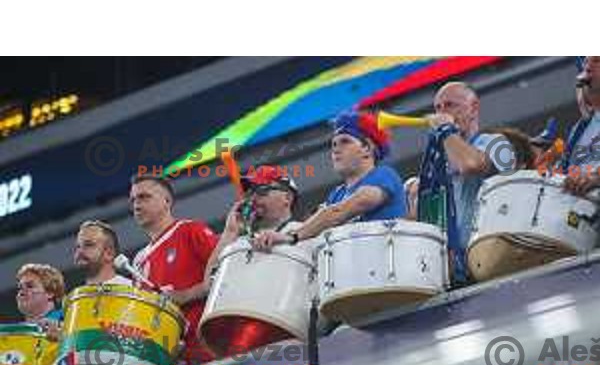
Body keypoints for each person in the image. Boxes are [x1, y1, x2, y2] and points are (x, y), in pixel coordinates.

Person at [252, 111, 407, 251]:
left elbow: (343, 209)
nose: (336, 149)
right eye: (333, 144)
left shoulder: (384, 175)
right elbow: (319, 227)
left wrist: (291, 237)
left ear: (367, 148)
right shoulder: (337, 194)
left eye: (345, 142)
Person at [417, 82, 516, 283]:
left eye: (450, 105)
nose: (442, 113)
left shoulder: (496, 142)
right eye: (438, 108)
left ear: (474, 107)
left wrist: (445, 129)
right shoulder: (439, 160)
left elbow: (470, 164)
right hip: (454, 273)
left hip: (492, 261)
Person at [130, 175, 219, 363]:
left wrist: (183, 295)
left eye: (144, 197)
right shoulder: (138, 262)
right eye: (133, 200)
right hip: (169, 364)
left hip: (210, 352)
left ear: (167, 201)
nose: (136, 205)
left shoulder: (190, 231)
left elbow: (226, 275)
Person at [204, 165, 301, 284]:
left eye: (261, 191)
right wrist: (230, 233)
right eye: (250, 192)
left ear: (287, 198)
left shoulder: (302, 233)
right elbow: (209, 283)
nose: (253, 198)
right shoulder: (241, 243)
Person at [562, 56, 600, 196]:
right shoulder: (579, 129)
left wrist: (596, 176)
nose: (588, 67)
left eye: (597, 61)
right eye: (585, 62)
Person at [74, 220, 132, 286]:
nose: (80, 251)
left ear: (109, 253)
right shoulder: (74, 295)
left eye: (89, 244)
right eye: (78, 247)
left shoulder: (133, 291)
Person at [16, 264, 65, 340]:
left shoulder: (68, 318)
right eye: (20, 288)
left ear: (50, 292)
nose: (21, 292)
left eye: (30, 286)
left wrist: (63, 335)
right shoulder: (15, 332)